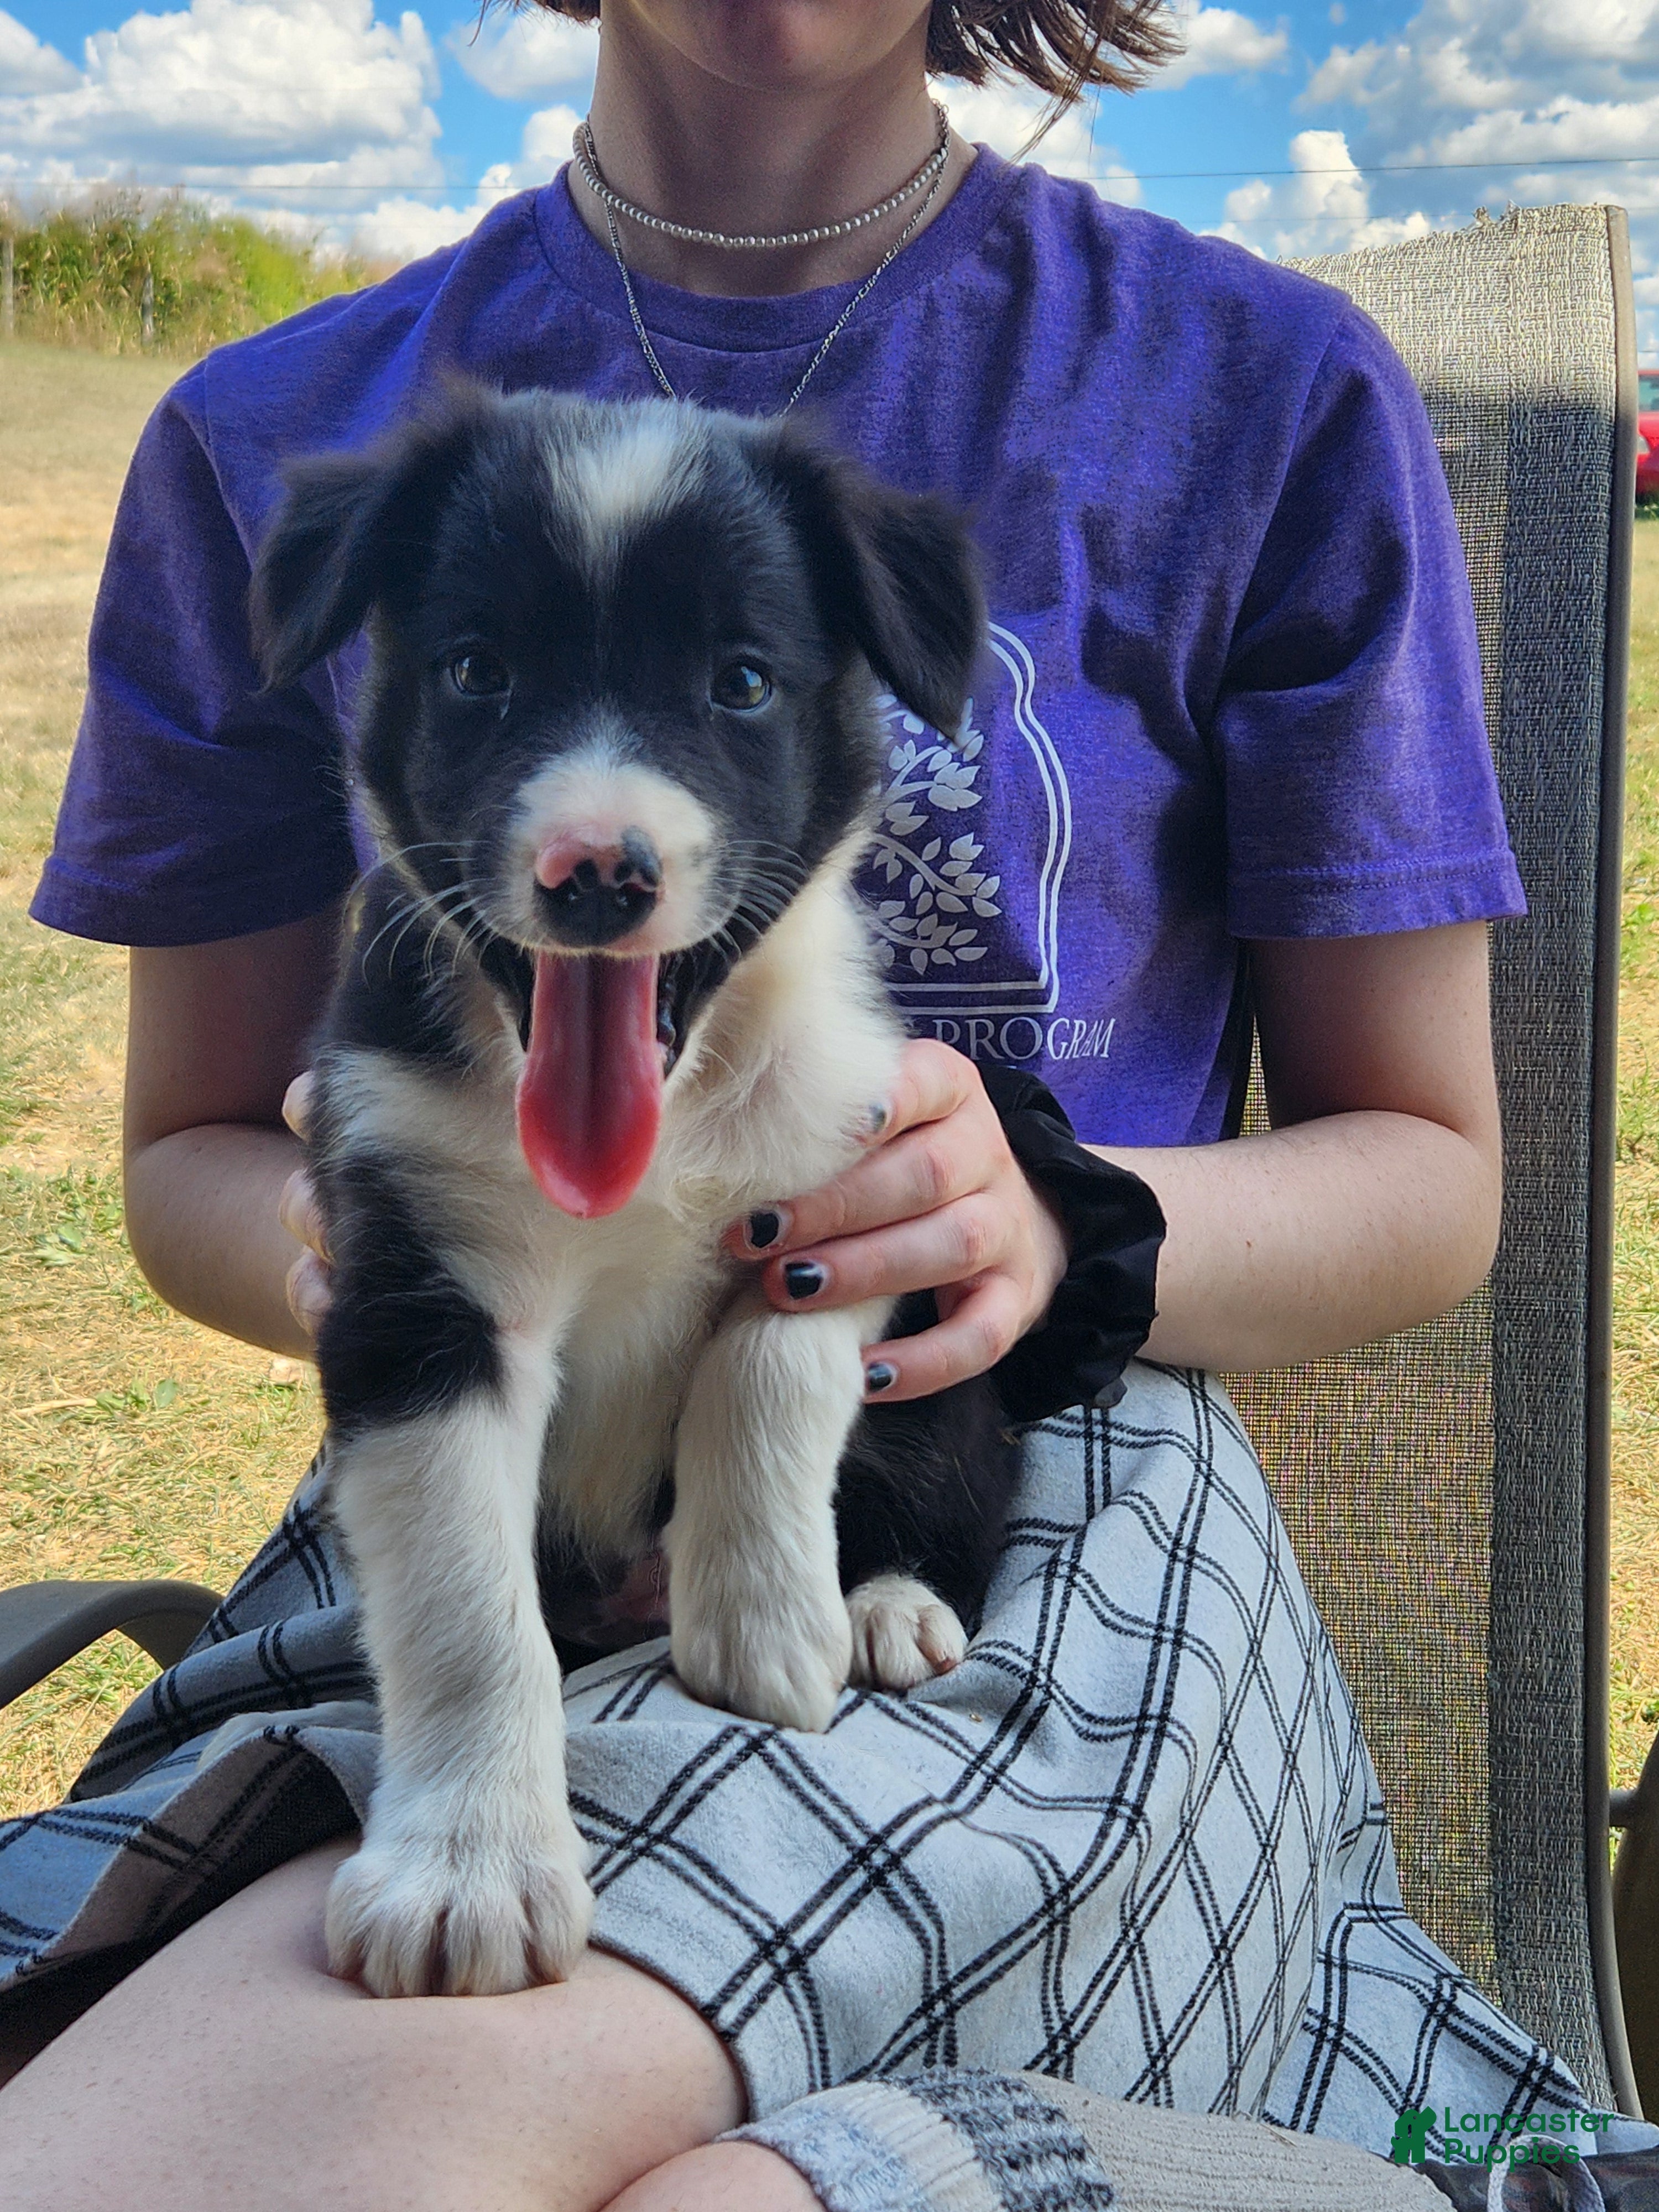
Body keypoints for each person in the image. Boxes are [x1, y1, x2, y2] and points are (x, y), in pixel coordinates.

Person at [0, 3, 1634, 2207]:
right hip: (479, 1488)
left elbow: (1434, 1180)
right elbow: (195, 1158)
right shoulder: (283, 440)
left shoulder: (1253, 393)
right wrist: (393, 1249)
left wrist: (1057, 1227)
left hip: (1028, 1484)